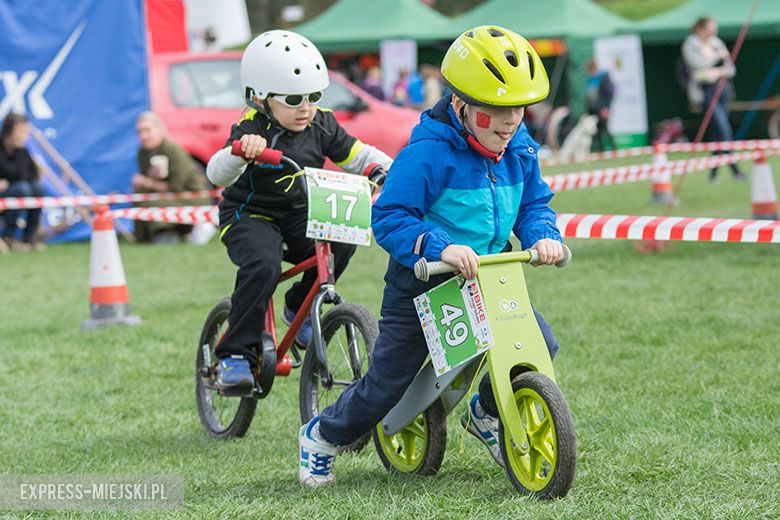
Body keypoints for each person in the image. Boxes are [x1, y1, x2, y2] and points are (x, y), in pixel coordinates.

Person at [298, 25, 565, 487]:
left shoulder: (519, 148)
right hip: (422, 282)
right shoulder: (427, 153)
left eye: (519, 109)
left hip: (486, 278)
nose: (509, 122)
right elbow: (390, 217)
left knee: (539, 343)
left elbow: (534, 203)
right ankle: (322, 435)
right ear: (460, 105)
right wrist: (442, 245)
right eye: (495, 111)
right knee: (388, 384)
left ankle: (486, 411)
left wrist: (542, 234)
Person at [206, 30, 392, 396]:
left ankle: (298, 308)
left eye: (313, 96)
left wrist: (385, 170)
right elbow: (216, 172)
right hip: (250, 215)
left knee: (343, 238)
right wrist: (240, 152)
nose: (306, 107)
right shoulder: (253, 126)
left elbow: (359, 155)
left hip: (298, 216)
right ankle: (234, 354)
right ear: (259, 97)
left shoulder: (321, 123)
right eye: (293, 99)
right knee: (263, 264)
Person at [682, 16, 745, 182]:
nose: (714, 32)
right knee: (724, 129)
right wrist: (716, 58)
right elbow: (698, 68)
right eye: (710, 28)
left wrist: (716, 70)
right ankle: (735, 169)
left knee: (718, 132)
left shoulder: (716, 43)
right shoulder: (690, 45)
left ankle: (714, 173)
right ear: (700, 29)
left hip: (723, 90)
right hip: (706, 92)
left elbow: (731, 69)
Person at [132, 112, 207, 243]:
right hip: (166, 196)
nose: (143, 136)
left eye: (147, 130)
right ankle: (144, 239)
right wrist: (145, 182)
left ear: (160, 130)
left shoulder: (173, 150)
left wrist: (148, 183)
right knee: (139, 197)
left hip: (190, 197)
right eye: (140, 132)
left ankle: (166, 235)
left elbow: (177, 188)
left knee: (152, 204)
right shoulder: (142, 153)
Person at [0, 113, 45, 252]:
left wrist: (20, 150)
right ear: (11, 130)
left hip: (15, 190)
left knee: (37, 188)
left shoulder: (22, 151)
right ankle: (8, 236)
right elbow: (18, 176)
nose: (26, 135)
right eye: (22, 130)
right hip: (4, 196)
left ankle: (30, 236)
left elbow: (29, 175)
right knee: (22, 189)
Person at [585, 58, 615, 152]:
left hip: (603, 109)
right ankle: (601, 150)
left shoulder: (604, 77)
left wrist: (606, 108)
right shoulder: (590, 79)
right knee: (597, 131)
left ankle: (614, 148)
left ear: (594, 67)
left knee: (604, 129)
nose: (589, 72)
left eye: (590, 70)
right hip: (594, 109)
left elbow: (610, 93)